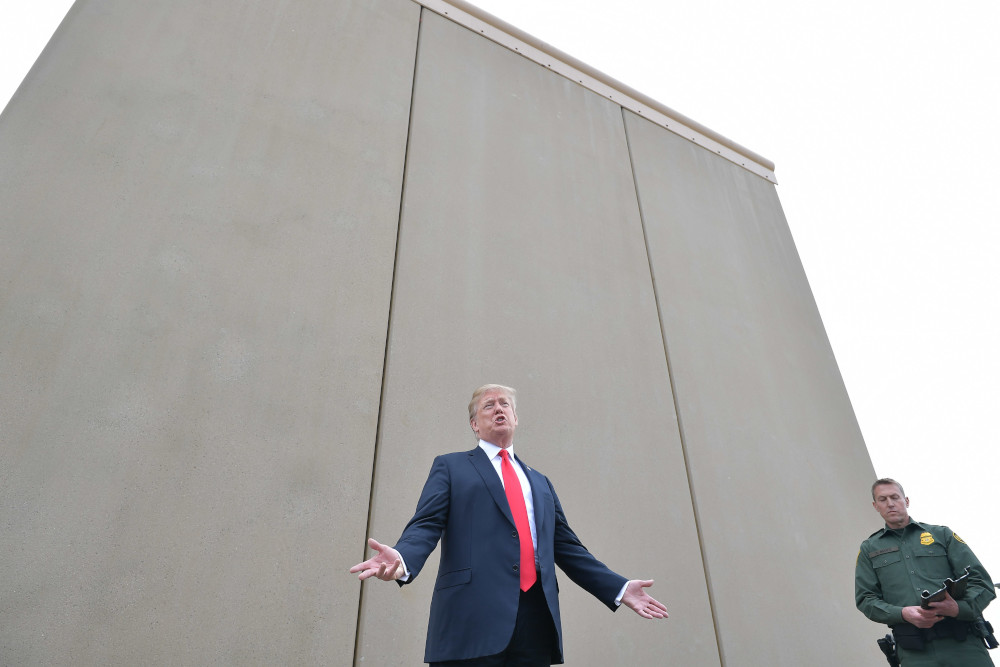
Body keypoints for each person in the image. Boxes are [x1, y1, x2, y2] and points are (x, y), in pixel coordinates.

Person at [350, 384, 667, 666]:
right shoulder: (451, 466)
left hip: (534, 624)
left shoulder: (540, 483)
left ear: (516, 418)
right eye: (488, 405)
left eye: (505, 404)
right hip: (470, 622)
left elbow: (568, 548)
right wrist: (403, 557)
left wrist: (619, 587)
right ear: (475, 424)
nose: (498, 408)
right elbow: (427, 523)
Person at [855, 477, 996, 666]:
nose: (890, 504)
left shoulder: (942, 535)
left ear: (906, 501)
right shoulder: (869, 549)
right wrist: (903, 613)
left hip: (964, 645)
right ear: (875, 506)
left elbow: (981, 583)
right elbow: (866, 599)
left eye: (895, 497)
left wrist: (958, 608)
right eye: (883, 499)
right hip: (915, 653)